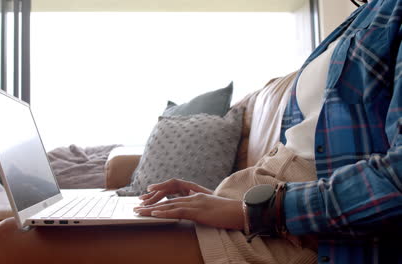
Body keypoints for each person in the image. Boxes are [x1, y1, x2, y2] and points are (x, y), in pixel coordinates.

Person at [134, 0, 402, 263]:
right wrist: (223, 199)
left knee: (112, 241)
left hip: (301, 228)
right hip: (264, 208)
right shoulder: (358, 19)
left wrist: (262, 211)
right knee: (119, 226)